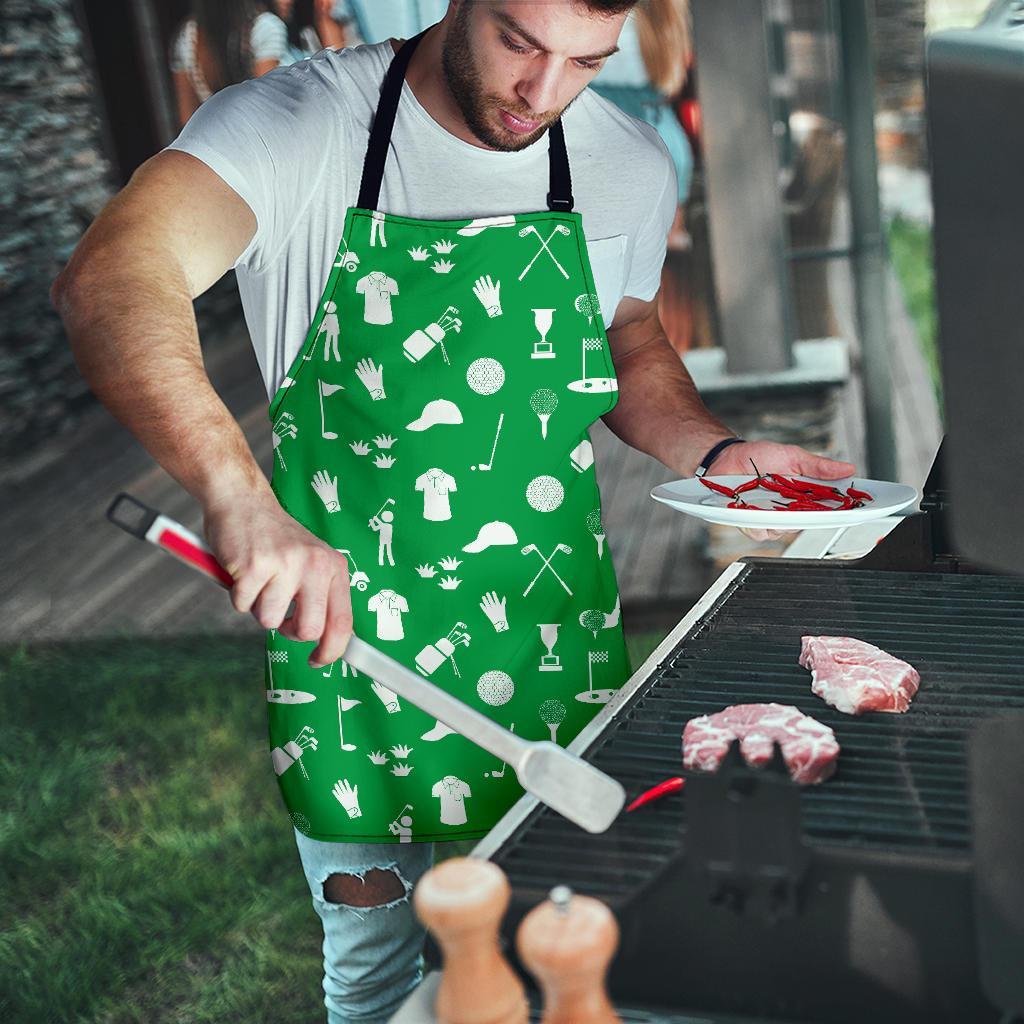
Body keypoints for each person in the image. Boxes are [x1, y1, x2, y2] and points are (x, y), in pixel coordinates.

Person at [52, 2, 857, 1020]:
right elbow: (113, 275)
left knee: (563, 949)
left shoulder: (624, 160)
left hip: (548, 631)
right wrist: (238, 496)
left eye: (585, 62)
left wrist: (717, 449)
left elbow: (629, 335)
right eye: (521, 42)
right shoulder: (297, 126)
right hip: (350, 655)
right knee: (379, 975)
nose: (543, 93)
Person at [169, 0, 290, 128]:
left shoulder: (187, 36)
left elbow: (187, 119)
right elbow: (268, 107)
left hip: (217, 141)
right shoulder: (265, 27)